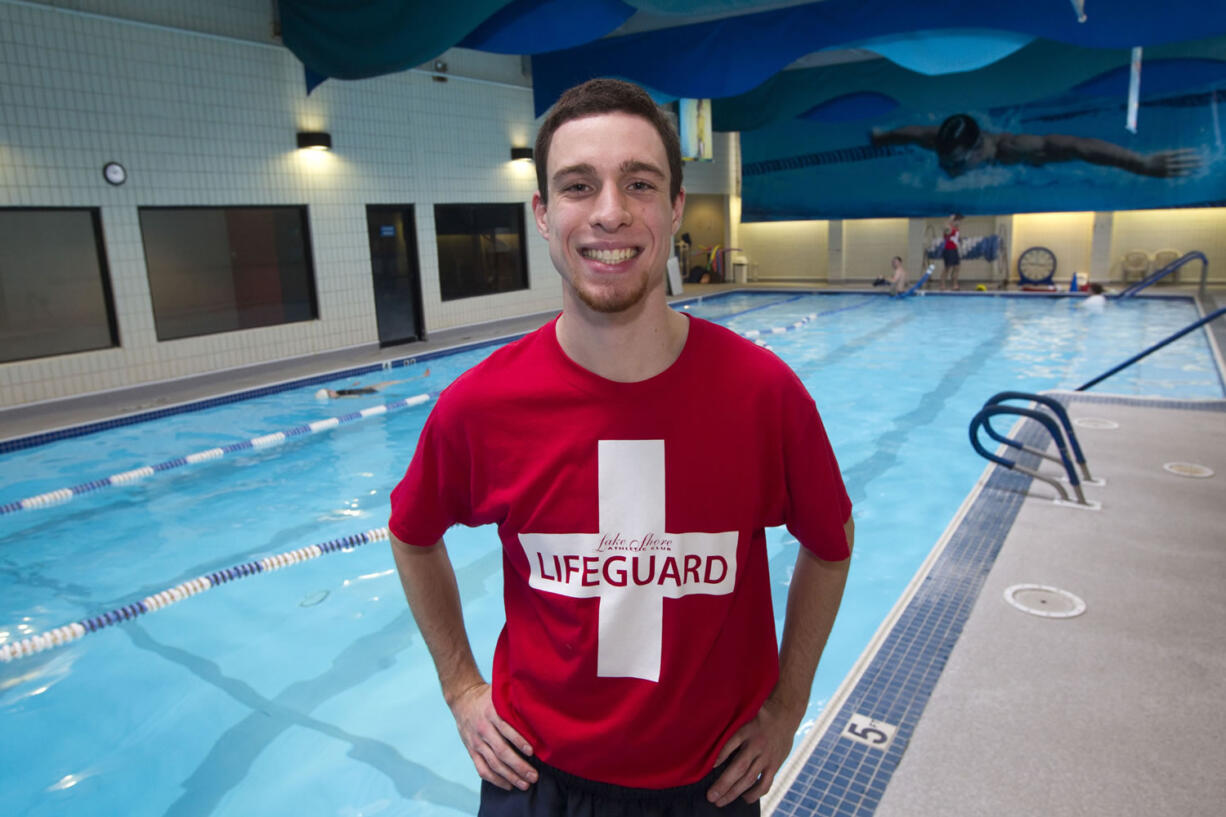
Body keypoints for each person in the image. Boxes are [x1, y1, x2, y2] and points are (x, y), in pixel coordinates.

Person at [388, 78, 853, 817]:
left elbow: (831, 544)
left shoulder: (764, 395)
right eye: (578, 186)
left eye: (639, 183)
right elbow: (412, 536)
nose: (610, 212)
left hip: (709, 789)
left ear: (673, 208)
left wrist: (788, 705)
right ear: (543, 214)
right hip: (534, 783)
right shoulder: (481, 405)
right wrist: (462, 688)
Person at [871, 113, 1201, 179]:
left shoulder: (1014, 148)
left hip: (1027, 163)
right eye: (946, 159)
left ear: (976, 150)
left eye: (955, 162)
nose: (949, 168)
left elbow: (1079, 146)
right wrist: (883, 137)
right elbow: (911, 132)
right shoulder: (936, 140)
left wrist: (1138, 163)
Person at [315, 370, 428, 400]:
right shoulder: (339, 397)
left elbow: (347, 391)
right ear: (329, 395)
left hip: (365, 389)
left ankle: (420, 377)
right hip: (368, 392)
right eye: (329, 391)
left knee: (388, 383)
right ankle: (421, 377)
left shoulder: (338, 393)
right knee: (390, 383)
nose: (331, 390)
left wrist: (353, 385)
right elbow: (354, 396)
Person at [941, 214, 962, 291]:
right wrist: (950, 220)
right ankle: (942, 285)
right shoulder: (949, 228)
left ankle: (955, 285)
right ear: (954, 221)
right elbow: (945, 229)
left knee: (957, 267)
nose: (959, 222)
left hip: (954, 250)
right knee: (947, 268)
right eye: (958, 221)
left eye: (960, 221)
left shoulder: (956, 229)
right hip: (948, 250)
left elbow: (955, 239)